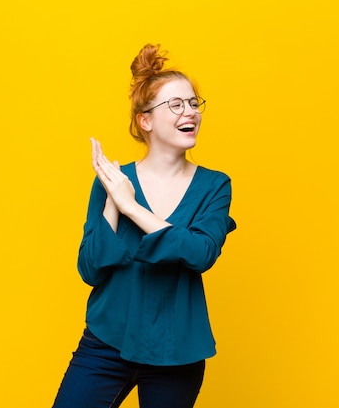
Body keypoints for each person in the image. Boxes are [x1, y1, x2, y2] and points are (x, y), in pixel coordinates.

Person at [52, 43, 237, 408]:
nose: (191, 112)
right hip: (106, 342)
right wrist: (113, 200)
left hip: (177, 353)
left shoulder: (216, 186)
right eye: (176, 104)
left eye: (194, 103)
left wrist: (130, 207)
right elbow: (90, 269)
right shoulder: (113, 181)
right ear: (145, 120)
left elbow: (200, 253)